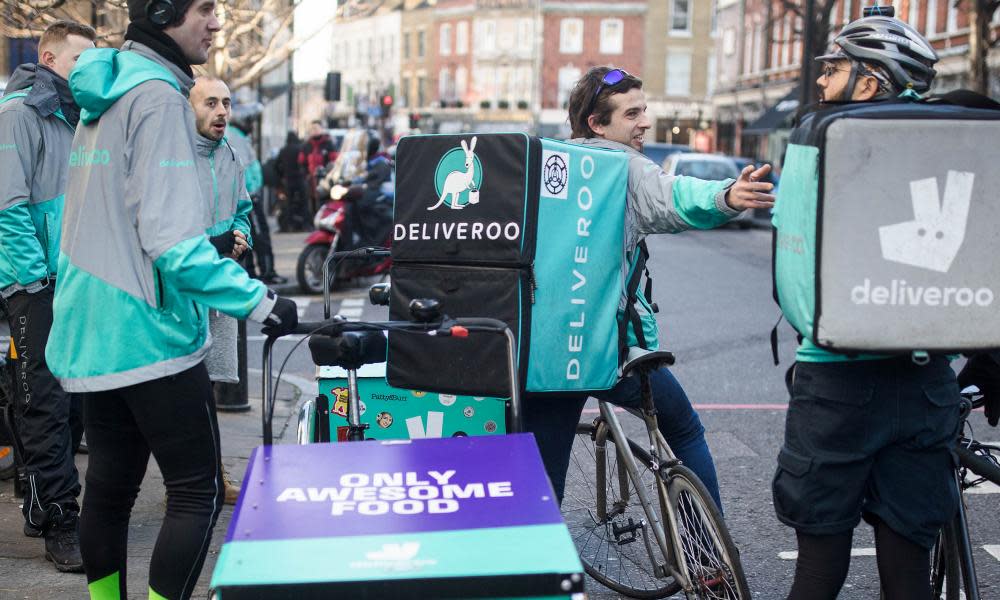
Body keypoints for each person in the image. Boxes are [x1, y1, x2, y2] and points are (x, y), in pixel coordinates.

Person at [45, 2, 298, 598]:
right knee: (196, 490)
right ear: (163, 13)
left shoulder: (105, 91)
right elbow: (173, 246)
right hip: (148, 331)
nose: (217, 23)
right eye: (206, 10)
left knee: (109, 488)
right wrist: (262, 302)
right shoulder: (158, 99)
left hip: (90, 327)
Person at [522, 66, 774, 509]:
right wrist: (728, 196)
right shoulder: (622, 167)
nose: (645, 122)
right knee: (685, 429)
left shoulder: (544, 163)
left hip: (547, 353)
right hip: (610, 350)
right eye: (632, 113)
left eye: (645, 110)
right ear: (597, 124)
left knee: (543, 483)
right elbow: (673, 196)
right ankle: (706, 558)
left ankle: (537, 570)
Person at [769, 15, 954, 600]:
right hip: (924, 380)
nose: (822, 81)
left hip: (836, 382)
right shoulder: (956, 140)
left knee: (821, 569)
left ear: (871, 82)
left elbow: (792, 281)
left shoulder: (818, 134)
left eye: (835, 68)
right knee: (909, 574)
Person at [0, 19, 96, 573]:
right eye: (80, 59)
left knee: (77, 401)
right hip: (36, 284)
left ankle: (45, 501)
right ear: (49, 57)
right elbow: (10, 207)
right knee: (47, 403)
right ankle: (60, 516)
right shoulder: (19, 115)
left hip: (77, 279)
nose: (90, 70)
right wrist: (37, 281)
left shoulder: (80, 116)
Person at [189, 76, 252, 505]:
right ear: (188, 107)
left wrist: (241, 236)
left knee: (210, 382)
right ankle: (196, 474)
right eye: (210, 102)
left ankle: (209, 472)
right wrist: (209, 245)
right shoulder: (170, 157)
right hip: (182, 287)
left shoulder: (230, 154)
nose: (222, 112)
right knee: (182, 384)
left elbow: (242, 209)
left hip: (219, 281)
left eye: (226, 103)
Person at [228, 118, 286, 284]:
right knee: (259, 235)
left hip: (250, 194)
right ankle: (267, 272)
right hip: (250, 196)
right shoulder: (236, 136)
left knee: (251, 235)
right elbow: (244, 167)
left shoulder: (237, 136)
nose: (252, 127)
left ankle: (253, 273)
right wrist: (251, 192)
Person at [299, 120, 337, 213]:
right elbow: (301, 162)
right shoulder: (306, 145)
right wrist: (306, 175)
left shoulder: (328, 144)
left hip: (325, 181)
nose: (314, 130)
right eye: (312, 129)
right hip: (311, 181)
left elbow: (334, 161)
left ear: (322, 129)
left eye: (316, 128)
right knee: (311, 205)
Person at [275, 130, 308, 231]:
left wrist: (282, 175)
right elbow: (305, 163)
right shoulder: (300, 148)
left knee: (288, 203)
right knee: (303, 202)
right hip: (300, 179)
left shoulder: (283, 150)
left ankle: (289, 225)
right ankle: (305, 225)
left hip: (288, 180)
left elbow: (276, 165)